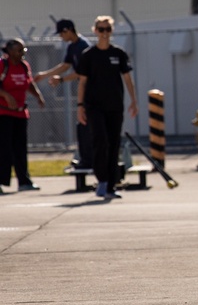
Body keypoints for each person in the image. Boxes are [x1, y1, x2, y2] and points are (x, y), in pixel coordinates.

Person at [76, 16, 138, 200]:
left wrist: (134, 101)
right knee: (100, 141)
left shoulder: (118, 54)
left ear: (111, 32)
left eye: (107, 30)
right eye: (101, 30)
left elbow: (127, 79)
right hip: (94, 106)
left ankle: (111, 186)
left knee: (113, 144)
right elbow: (82, 82)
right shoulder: (88, 55)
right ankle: (101, 180)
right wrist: (80, 106)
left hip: (115, 106)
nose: (104, 33)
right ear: (95, 31)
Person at [33, 19, 93, 169]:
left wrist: (61, 80)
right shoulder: (72, 47)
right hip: (84, 89)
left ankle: (89, 160)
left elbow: (82, 72)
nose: (61, 37)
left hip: (91, 90)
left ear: (68, 30)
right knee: (82, 125)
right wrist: (46, 74)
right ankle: (86, 158)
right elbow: (66, 65)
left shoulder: (83, 46)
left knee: (86, 125)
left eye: (61, 33)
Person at [0, 39, 45, 194]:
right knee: (3, 148)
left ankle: (24, 181)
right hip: (3, 113)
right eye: (19, 50)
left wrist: (38, 96)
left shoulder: (24, 66)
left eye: (23, 50)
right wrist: (5, 95)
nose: (22, 53)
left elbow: (29, 82)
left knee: (20, 149)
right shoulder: (2, 65)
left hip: (20, 113)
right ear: (10, 52)